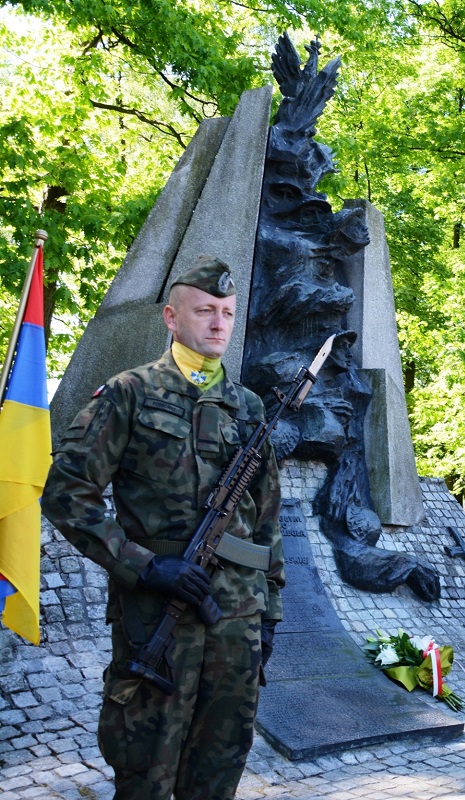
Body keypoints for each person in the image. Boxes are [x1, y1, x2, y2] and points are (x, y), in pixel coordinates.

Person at [41, 256, 285, 800]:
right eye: (204, 311)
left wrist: (269, 614)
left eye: (227, 312)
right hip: (158, 616)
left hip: (237, 621)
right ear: (172, 318)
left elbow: (267, 519)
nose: (219, 323)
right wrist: (143, 566)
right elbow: (66, 494)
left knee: (219, 768)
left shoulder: (249, 408)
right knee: (145, 770)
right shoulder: (129, 393)